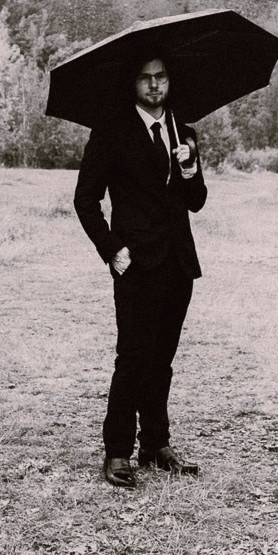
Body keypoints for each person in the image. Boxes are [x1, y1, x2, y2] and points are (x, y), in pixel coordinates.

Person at [72, 56, 207, 487]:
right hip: (135, 264)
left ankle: (155, 444)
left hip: (178, 263)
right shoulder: (111, 132)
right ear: (133, 83)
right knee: (132, 357)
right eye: (145, 78)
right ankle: (117, 451)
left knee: (162, 360)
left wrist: (189, 166)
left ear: (169, 81)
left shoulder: (184, 132)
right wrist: (112, 250)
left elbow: (196, 200)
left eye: (161, 77)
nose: (154, 85)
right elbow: (85, 200)